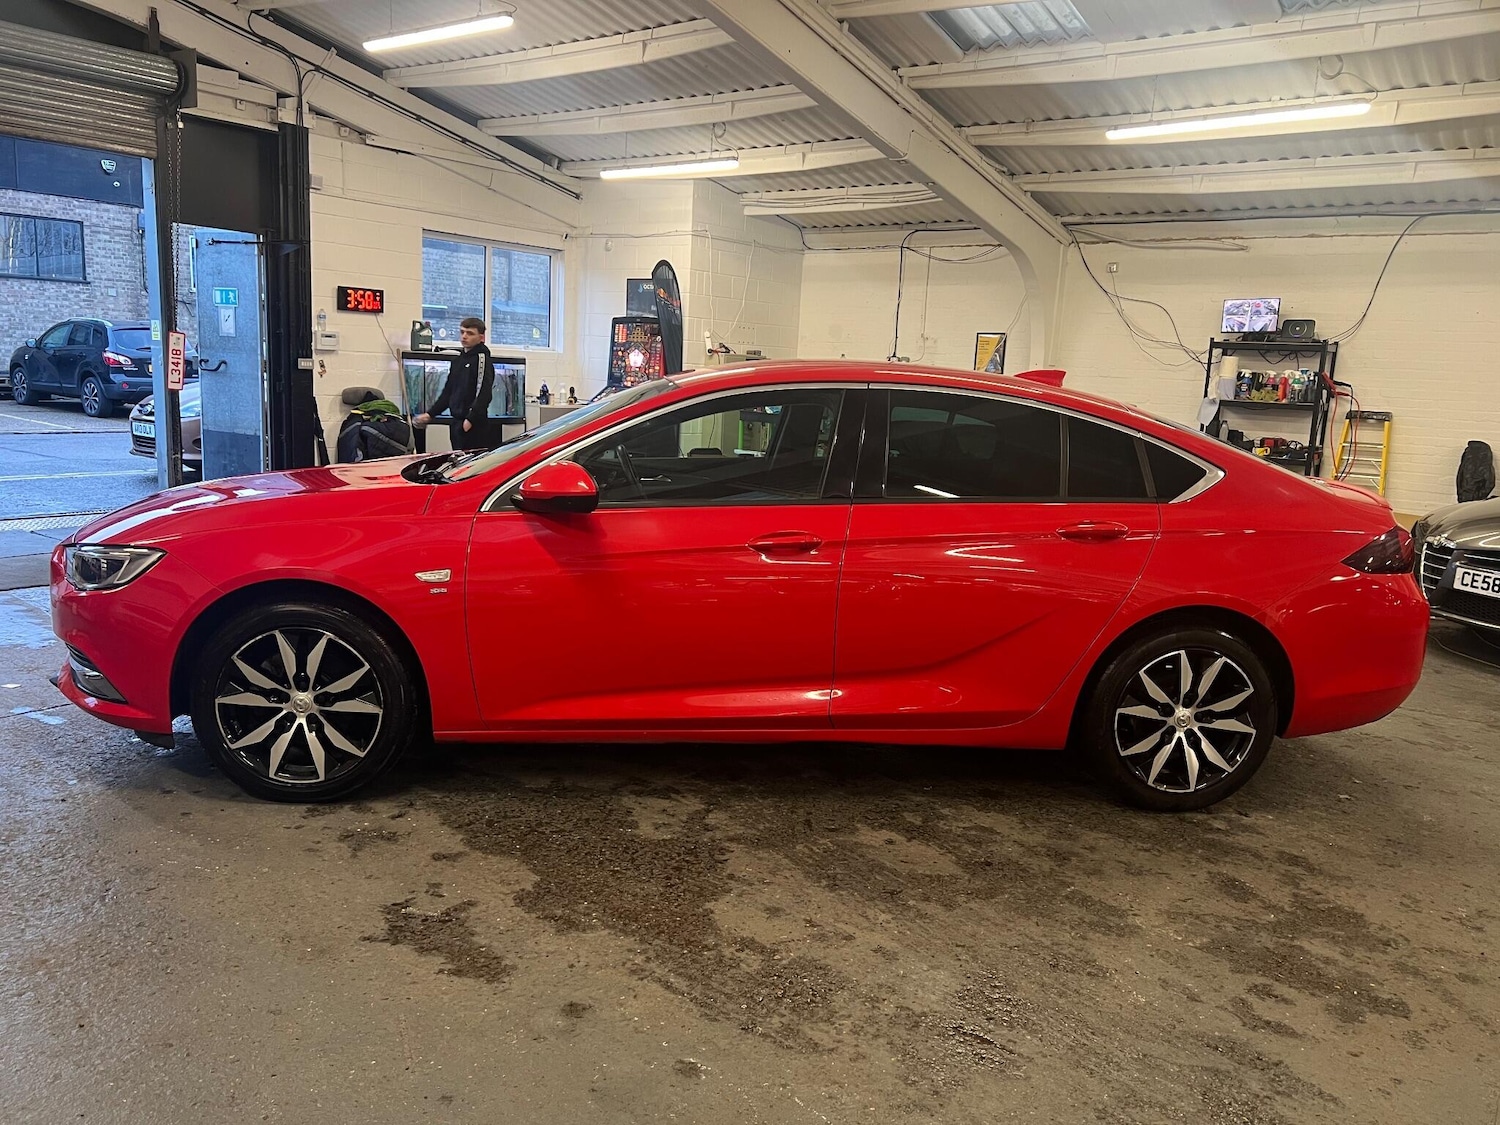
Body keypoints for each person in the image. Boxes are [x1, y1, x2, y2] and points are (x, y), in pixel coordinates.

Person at [414, 317, 494, 451]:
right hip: (456, 422)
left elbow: (484, 393)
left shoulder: (482, 359)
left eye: (470, 333)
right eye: (462, 332)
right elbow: (448, 392)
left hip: (474, 425)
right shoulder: (458, 360)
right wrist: (430, 414)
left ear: (481, 337)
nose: (464, 336)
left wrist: (470, 419)